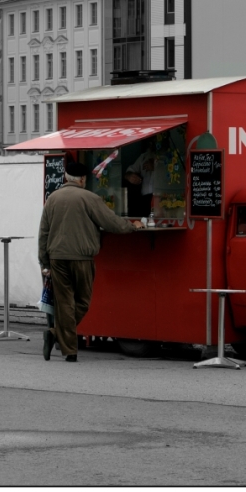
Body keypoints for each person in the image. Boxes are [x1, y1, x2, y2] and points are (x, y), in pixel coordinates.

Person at [38, 156, 143, 362]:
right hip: (82, 258)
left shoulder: (52, 199)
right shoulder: (90, 198)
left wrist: (44, 263)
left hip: (57, 259)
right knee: (83, 302)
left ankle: (59, 338)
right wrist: (133, 226)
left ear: (66, 177)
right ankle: (67, 348)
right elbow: (112, 223)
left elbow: (43, 233)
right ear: (83, 180)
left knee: (65, 304)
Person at [124, 140, 156, 217]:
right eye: (150, 143)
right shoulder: (144, 157)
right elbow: (129, 171)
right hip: (144, 198)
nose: (152, 145)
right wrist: (130, 176)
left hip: (159, 197)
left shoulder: (166, 157)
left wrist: (155, 166)